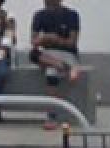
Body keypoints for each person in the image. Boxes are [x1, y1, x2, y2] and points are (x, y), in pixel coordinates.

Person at [31, 0, 83, 131]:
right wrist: (45, 38)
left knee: (51, 72)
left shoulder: (71, 15)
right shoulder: (39, 15)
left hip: (66, 53)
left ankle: (52, 115)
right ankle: (64, 66)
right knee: (33, 54)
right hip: (48, 53)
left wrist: (56, 40)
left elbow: (72, 43)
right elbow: (34, 41)